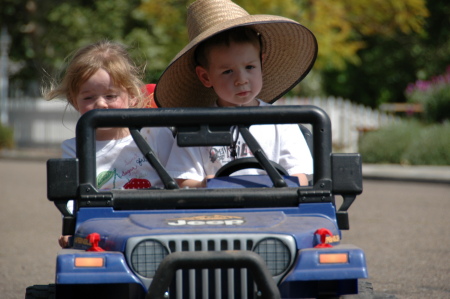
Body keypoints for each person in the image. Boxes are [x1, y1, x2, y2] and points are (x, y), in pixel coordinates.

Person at [154, 0, 317, 188]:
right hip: (214, 212)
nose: (241, 79)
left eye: (249, 67)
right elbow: (182, 180)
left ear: (261, 64)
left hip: (274, 207)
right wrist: (206, 185)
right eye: (227, 71)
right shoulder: (196, 127)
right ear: (205, 77)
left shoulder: (282, 122)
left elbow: (300, 177)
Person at [44, 40, 173, 246]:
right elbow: (71, 198)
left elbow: (176, 182)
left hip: (155, 224)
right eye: (88, 97)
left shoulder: (155, 136)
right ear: (73, 100)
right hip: (101, 230)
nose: (101, 104)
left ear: (132, 96)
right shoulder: (75, 147)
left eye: (111, 95)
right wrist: (72, 227)